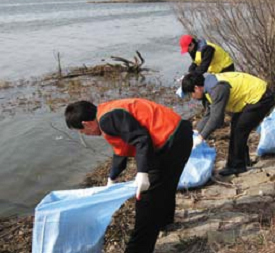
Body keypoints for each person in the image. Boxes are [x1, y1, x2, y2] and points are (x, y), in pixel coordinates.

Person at [64, 98, 193, 253]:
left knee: (146, 202)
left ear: (86, 123)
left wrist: (142, 173)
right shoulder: (106, 112)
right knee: (166, 184)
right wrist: (112, 178)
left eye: (81, 131)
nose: (84, 134)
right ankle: (165, 222)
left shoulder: (107, 120)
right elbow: (121, 150)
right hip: (180, 133)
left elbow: (141, 139)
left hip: (170, 140)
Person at [182, 72, 275, 176]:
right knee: (236, 125)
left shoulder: (217, 89)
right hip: (250, 98)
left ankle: (237, 166)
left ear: (196, 88)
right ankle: (242, 161)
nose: (192, 97)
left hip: (261, 96)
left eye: (191, 94)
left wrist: (201, 137)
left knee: (240, 129)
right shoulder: (208, 87)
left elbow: (217, 119)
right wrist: (196, 131)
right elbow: (209, 114)